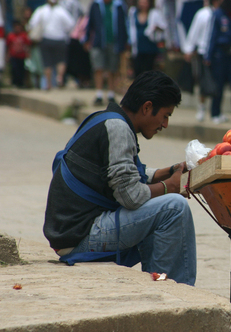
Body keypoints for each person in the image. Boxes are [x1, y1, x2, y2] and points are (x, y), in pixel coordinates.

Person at [44, 70, 196, 286]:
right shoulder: (118, 128)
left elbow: (121, 175)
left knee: (162, 205)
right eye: (165, 115)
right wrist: (168, 187)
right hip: (81, 236)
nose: (165, 124)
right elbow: (131, 197)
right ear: (147, 107)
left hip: (72, 232)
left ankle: (160, 283)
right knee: (174, 207)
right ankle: (175, 291)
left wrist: (165, 173)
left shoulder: (106, 119)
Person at [204, 0, 231, 124]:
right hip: (220, 53)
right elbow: (212, 35)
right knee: (218, 85)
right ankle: (215, 113)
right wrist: (208, 56)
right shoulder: (218, 14)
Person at [182, 0, 222, 122]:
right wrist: (189, 48)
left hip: (217, 53)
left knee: (218, 82)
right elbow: (194, 31)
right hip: (203, 52)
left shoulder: (222, 13)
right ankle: (201, 108)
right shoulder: (203, 14)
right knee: (203, 82)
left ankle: (216, 112)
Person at [84, 0, 129, 106]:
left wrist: (126, 41)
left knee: (112, 69)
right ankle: (99, 94)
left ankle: (111, 94)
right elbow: (90, 23)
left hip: (115, 42)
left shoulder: (119, 5)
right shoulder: (96, 5)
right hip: (99, 42)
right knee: (98, 67)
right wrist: (87, 39)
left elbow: (125, 24)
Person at [28, 0, 75, 90]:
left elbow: (32, 23)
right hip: (60, 39)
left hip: (46, 39)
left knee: (47, 62)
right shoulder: (62, 11)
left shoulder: (41, 10)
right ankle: (59, 77)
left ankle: (48, 83)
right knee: (61, 60)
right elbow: (71, 24)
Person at [128, 0, 164, 77]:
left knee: (148, 70)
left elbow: (163, 27)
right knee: (137, 70)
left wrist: (156, 28)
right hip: (138, 46)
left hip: (150, 46)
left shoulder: (154, 13)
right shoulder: (133, 12)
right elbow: (131, 28)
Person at [6, 20, 31, 88]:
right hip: (13, 56)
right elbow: (8, 46)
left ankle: (21, 83)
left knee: (21, 70)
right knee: (14, 70)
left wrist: (28, 54)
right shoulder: (11, 36)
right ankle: (14, 83)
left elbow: (27, 45)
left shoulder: (23, 35)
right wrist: (7, 56)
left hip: (22, 56)